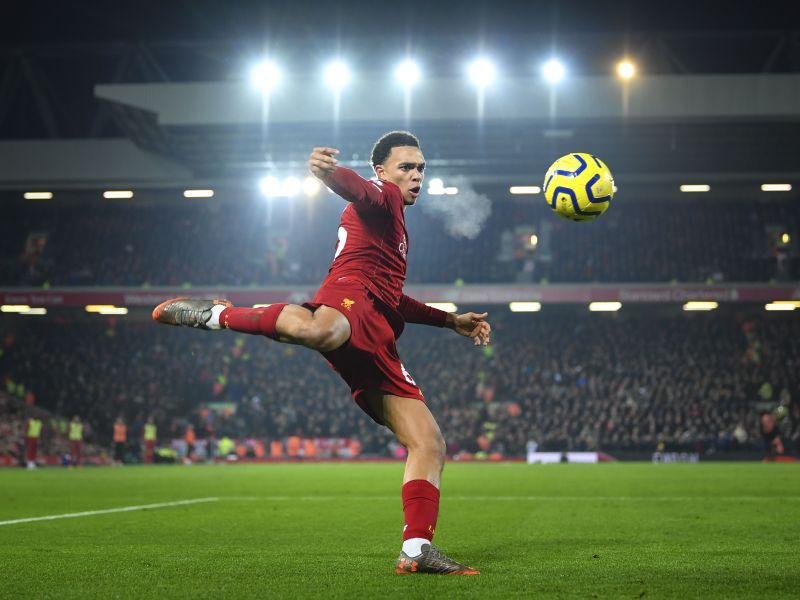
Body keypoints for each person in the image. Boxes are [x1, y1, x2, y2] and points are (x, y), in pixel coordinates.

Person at [153, 131, 490, 575]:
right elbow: (360, 191)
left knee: (428, 443)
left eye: (421, 168)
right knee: (321, 330)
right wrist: (332, 174)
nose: (415, 176)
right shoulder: (383, 197)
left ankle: (416, 550)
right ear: (383, 172)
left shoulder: (396, 226)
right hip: (353, 299)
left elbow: (396, 300)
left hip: (380, 330)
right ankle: (219, 315)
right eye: (406, 167)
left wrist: (449, 320)